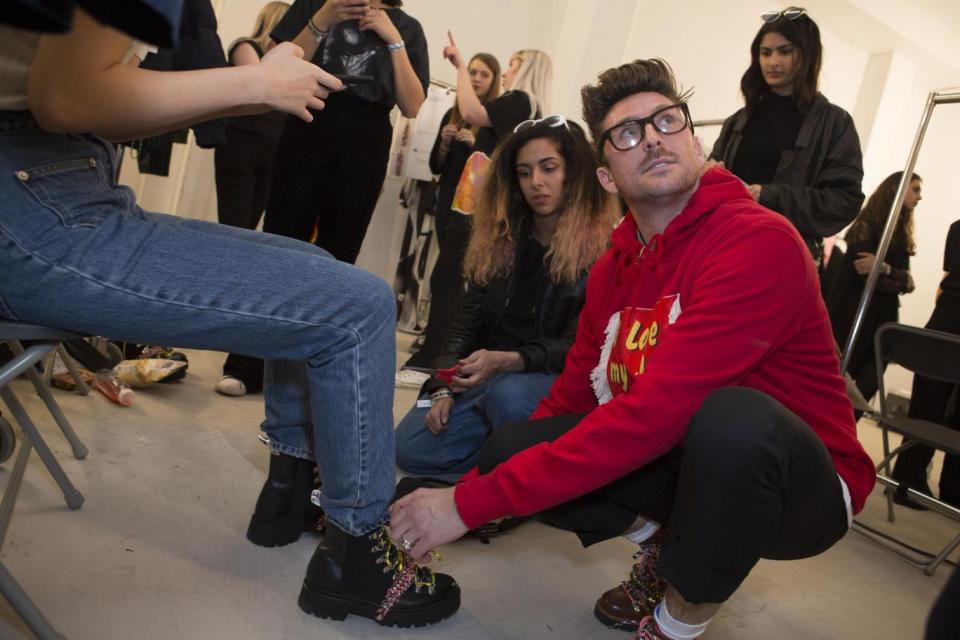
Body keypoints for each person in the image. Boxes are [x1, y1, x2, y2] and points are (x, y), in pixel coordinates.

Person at [0, 1, 458, 627]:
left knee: (319, 268)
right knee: (359, 305)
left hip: (55, 179)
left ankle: (288, 493)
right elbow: (68, 97)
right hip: (30, 199)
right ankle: (357, 556)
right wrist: (253, 82)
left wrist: (263, 75)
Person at [390, 59, 876, 639]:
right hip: (685, 456)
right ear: (607, 177)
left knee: (733, 420)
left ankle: (678, 623)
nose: (650, 138)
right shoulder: (616, 264)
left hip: (801, 487)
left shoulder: (759, 242)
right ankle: (661, 549)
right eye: (626, 133)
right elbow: (570, 399)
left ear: (694, 140)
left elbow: (654, 416)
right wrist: (470, 490)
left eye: (666, 121)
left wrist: (464, 509)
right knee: (510, 447)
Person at [395, 117, 618, 479]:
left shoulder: (603, 251)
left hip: (546, 384)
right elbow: (464, 325)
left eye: (549, 168)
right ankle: (506, 463)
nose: (536, 183)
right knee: (408, 447)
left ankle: (517, 475)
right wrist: (441, 387)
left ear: (574, 173)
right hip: (489, 379)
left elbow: (582, 349)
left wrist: (510, 361)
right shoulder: (500, 240)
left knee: (509, 398)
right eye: (524, 172)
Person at [398, 35, 553, 385]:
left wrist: (460, 66)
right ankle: (438, 358)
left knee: (448, 278)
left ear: (525, 68)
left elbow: (472, 112)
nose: (507, 72)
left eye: (512, 64)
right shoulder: (528, 109)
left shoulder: (519, 101)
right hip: (483, 204)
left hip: (479, 206)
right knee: (456, 280)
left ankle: (431, 362)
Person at [263, 0, 429, 264]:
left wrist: (394, 40)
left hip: (366, 142)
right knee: (281, 239)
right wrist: (322, 20)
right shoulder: (315, 5)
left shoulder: (407, 28)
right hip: (307, 124)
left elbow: (412, 106)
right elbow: (273, 70)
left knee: (341, 249)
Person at [708, 6, 864, 268]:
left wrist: (768, 195)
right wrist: (710, 175)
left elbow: (844, 202)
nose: (773, 62)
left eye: (785, 51)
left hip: (783, 259)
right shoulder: (739, 120)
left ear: (807, 54)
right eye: (766, 52)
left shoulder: (834, 124)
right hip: (722, 247)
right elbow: (710, 179)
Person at [213, 1, 290, 398]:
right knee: (235, 232)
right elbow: (260, 81)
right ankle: (222, 318)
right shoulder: (246, 45)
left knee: (251, 238)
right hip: (240, 147)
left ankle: (240, 335)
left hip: (273, 150)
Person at [826, 172, 921, 404]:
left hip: (883, 319)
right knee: (838, 383)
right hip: (854, 313)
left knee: (869, 385)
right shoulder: (866, 226)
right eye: (915, 189)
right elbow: (868, 275)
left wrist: (885, 268)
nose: (920, 196)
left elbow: (907, 284)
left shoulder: (900, 234)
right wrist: (897, 277)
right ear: (895, 190)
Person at [891, 218, 960, 509]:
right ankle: (953, 494)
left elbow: (946, 281)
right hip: (949, 322)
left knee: (925, 407)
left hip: (943, 321)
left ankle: (907, 482)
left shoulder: (957, 227)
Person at [429, 52, 501, 245]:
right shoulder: (452, 114)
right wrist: (444, 145)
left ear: (494, 81)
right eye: (473, 73)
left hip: (473, 199)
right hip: (447, 191)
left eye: (484, 75)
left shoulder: (494, 121)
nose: (477, 79)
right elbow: (435, 167)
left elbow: (497, 169)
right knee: (443, 245)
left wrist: (475, 146)